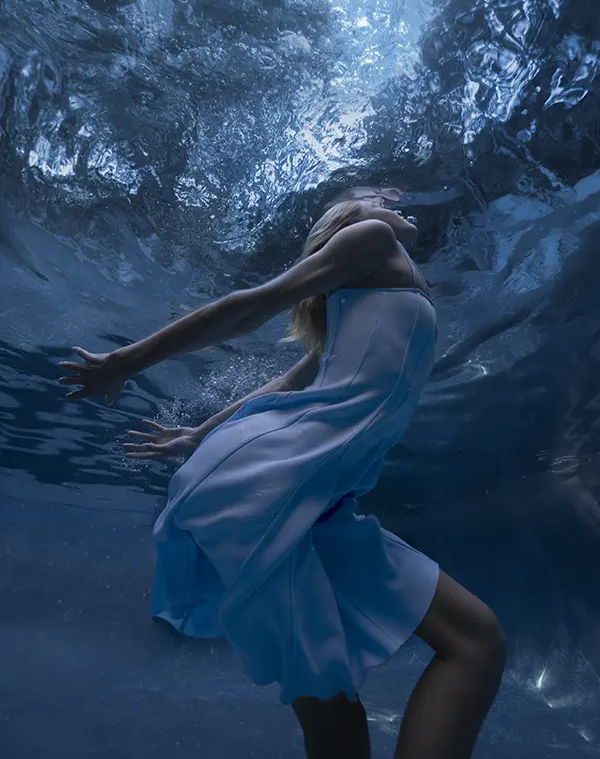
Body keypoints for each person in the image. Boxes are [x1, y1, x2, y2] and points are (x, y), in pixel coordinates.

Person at [58, 200, 506, 759]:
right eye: (375, 194)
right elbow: (247, 308)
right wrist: (124, 362)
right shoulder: (370, 239)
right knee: (344, 701)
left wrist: (195, 434)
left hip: (314, 497)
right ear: (345, 217)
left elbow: (285, 385)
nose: (391, 201)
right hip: (271, 484)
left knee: (459, 645)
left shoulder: (369, 290)